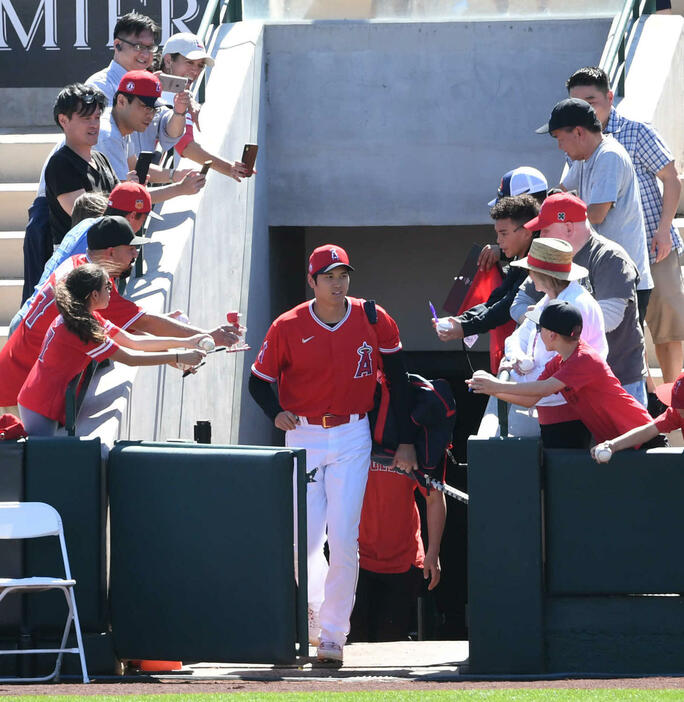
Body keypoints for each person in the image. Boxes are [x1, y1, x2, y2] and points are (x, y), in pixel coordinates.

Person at [249, 244, 417, 664]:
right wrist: (276, 413)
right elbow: (257, 381)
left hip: (352, 433)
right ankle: (315, 612)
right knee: (303, 543)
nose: (337, 282)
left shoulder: (373, 317)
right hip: (303, 434)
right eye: (328, 276)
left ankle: (333, 635)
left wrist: (406, 440)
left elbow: (398, 380)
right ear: (312, 281)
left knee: (344, 539)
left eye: (343, 274)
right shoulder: (288, 324)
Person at [0, 217, 240, 410]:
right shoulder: (92, 290)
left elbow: (130, 332)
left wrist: (180, 350)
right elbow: (141, 330)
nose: (135, 255)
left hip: (17, 377)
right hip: (19, 392)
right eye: (131, 249)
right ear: (111, 252)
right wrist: (206, 337)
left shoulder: (82, 268)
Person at [566, 66, 684, 387]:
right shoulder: (577, 143)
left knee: (667, 327)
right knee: (628, 334)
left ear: (609, 97)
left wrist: (663, 230)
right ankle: (649, 401)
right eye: (577, 102)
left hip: (654, 245)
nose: (586, 109)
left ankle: (675, 399)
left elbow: (671, 179)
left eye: (591, 100)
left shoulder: (636, 131)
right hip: (610, 257)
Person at [17, 264, 207, 436]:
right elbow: (131, 358)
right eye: (107, 287)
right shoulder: (82, 328)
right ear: (94, 295)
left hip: (42, 398)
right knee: (41, 468)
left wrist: (189, 341)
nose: (111, 291)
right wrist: (179, 355)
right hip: (39, 405)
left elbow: (134, 342)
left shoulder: (86, 316)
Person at [510, 193, 648, 406]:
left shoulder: (610, 257)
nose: (540, 236)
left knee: (626, 440)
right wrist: (540, 319)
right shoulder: (551, 258)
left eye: (545, 230)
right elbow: (518, 305)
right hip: (573, 385)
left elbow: (608, 320)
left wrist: (541, 318)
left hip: (619, 380)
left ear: (568, 228)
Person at [467, 300, 654, 447]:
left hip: (641, 437)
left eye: (539, 329)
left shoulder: (584, 358)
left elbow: (545, 388)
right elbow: (532, 399)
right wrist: (489, 389)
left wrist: (496, 385)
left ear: (551, 334)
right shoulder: (559, 360)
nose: (537, 334)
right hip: (620, 442)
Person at [536, 98, 653, 322]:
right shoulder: (583, 158)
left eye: (560, 139)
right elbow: (560, 195)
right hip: (602, 272)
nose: (560, 146)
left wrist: (560, 220)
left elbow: (597, 213)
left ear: (578, 132)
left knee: (623, 352)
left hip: (622, 276)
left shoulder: (609, 156)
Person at [486, 237, 607, 445]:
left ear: (543, 275)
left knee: (566, 472)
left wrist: (497, 384)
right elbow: (517, 337)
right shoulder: (551, 299)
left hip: (572, 410)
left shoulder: (575, 305)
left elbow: (558, 371)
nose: (529, 275)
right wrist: (520, 358)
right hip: (552, 406)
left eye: (531, 270)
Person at [10, 182, 153, 336]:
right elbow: (124, 317)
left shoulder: (91, 227)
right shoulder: (102, 245)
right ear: (132, 216)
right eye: (142, 221)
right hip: (35, 332)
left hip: (30, 321)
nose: (135, 252)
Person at [350, 457, 445, 642]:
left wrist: (433, 552)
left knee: (390, 643)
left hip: (404, 560)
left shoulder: (416, 443)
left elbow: (434, 498)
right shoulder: (355, 436)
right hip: (356, 559)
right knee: (354, 642)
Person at [434, 195, 541, 344]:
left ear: (527, 232)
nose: (498, 240)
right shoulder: (519, 259)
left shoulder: (538, 266)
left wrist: (465, 327)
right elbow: (496, 299)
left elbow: (505, 306)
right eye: (497, 233)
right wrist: (460, 320)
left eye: (504, 233)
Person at [96, 70, 205, 200]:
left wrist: (175, 175)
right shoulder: (108, 135)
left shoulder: (120, 123)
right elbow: (125, 199)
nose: (151, 115)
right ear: (121, 101)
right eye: (146, 107)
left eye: (154, 109)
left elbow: (134, 166)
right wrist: (180, 189)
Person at [160, 32, 253, 182]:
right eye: (190, 62)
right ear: (168, 60)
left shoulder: (182, 97)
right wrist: (229, 168)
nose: (195, 71)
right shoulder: (176, 97)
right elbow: (186, 146)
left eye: (200, 65)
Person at [44, 84, 119, 247]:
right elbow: (87, 216)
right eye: (86, 118)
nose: (94, 124)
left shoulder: (101, 159)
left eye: (97, 117)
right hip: (77, 259)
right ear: (63, 120)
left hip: (106, 253)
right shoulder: (60, 164)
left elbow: (120, 204)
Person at [591, 371, 684, 462]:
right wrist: (612, 445)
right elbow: (648, 430)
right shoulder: (676, 412)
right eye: (676, 403)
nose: (678, 409)